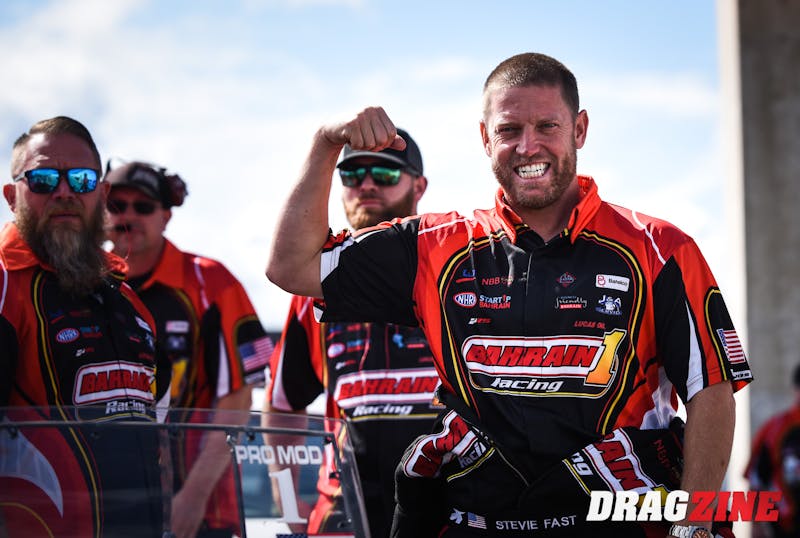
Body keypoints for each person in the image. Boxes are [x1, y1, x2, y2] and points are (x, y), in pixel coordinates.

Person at [266, 52, 754, 538]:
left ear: (580, 129)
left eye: (547, 126)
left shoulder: (659, 248)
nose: (527, 146)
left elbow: (710, 388)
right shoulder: (436, 246)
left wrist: (693, 525)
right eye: (508, 130)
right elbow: (292, 266)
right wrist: (325, 143)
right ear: (485, 138)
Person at [264, 129, 441, 538]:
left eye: (384, 173)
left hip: (444, 514)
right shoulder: (314, 290)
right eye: (353, 174)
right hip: (343, 518)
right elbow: (281, 405)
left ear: (419, 186)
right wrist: (287, 501)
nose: (366, 184)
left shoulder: (454, 271)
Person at [0, 116, 169, 536]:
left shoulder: (128, 300)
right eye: (42, 180)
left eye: (81, 179)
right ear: (12, 197)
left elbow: (163, 431)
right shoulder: (4, 287)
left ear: (102, 194)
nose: (64, 192)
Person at [104, 160, 273, 538]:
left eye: (143, 207)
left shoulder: (212, 282)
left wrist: (193, 497)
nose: (128, 216)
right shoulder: (81, 283)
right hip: (104, 505)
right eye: (116, 205)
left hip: (200, 511)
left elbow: (240, 397)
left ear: (166, 216)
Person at [745, 364, 800, 537]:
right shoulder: (776, 429)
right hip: (784, 528)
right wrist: (756, 525)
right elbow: (756, 482)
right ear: (796, 390)